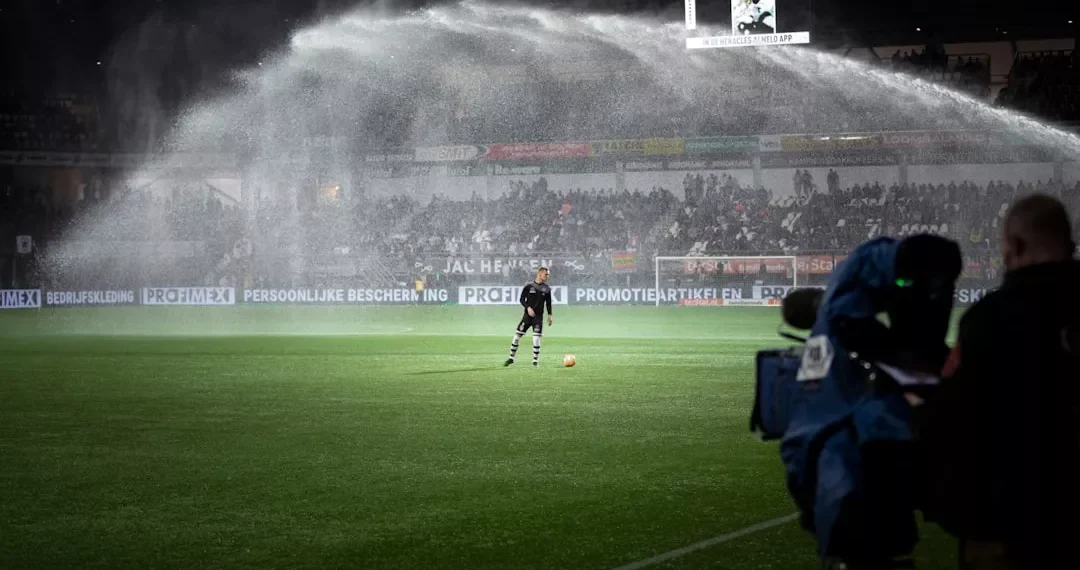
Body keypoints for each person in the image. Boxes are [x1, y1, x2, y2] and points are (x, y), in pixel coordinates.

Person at [925, 194, 1080, 570]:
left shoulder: (987, 319)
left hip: (1008, 526)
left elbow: (953, 424)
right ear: (1071, 246)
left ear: (1016, 246)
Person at [504, 267, 554, 368]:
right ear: (540, 274)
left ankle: (535, 361)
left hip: (538, 318)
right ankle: (511, 358)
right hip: (527, 317)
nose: (548, 276)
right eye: (546, 274)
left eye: (548, 275)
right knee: (517, 337)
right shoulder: (528, 286)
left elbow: (548, 303)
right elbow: (522, 299)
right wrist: (528, 308)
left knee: (536, 339)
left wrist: (550, 315)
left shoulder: (547, 289)